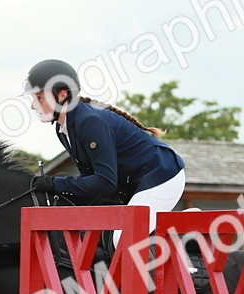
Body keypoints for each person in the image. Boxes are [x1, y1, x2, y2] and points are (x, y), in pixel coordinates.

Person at [24, 59, 186, 238]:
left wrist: (55, 183)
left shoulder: (89, 121)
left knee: (123, 239)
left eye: (39, 98)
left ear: (61, 95)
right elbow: (88, 176)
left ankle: (182, 264)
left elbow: (105, 182)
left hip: (161, 176)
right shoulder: (63, 129)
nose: (33, 105)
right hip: (136, 183)